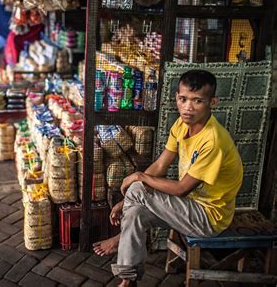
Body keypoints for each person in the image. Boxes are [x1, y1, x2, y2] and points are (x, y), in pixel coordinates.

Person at [93, 70, 243, 287]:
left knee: (137, 188)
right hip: (188, 206)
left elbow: (182, 188)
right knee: (135, 212)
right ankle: (128, 281)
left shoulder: (213, 140)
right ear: (176, 98)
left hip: (208, 217)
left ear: (213, 102)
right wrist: (126, 201)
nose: (188, 107)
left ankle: (121, 241)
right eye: (183, 99)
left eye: (197, 101)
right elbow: (161, 165)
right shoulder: (182, 125)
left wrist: (138, 177)